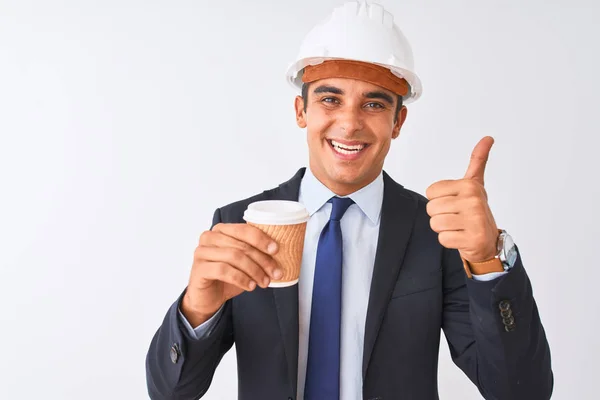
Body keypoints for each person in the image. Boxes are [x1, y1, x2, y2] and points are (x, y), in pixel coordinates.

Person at [145, 2, 553, 399]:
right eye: (330, 98)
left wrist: (487, 260)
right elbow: (170, 392)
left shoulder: (435, 235)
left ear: (398, 122)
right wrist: (197, 308)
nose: (350, 123)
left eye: (374, 103)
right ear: (301, 110)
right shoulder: (241, 224)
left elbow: (523, 391)